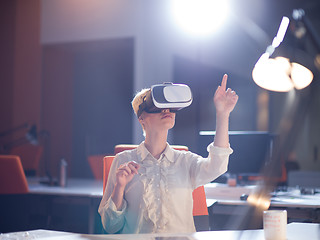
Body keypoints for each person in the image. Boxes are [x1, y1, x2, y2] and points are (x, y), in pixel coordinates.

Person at [98, 74, 238, 234]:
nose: (166, 110)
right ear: (141, 118)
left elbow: (218, 166)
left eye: (170, 106)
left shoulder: (186, 161)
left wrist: (222, 113)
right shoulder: (123, 161)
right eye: (158, 106)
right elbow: (110, 226)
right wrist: (119, 187)